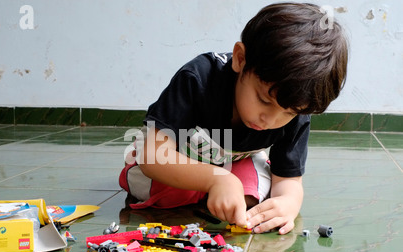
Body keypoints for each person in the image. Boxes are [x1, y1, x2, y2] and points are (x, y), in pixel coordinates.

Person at [119, 2, 348, 234]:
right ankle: (209, 189)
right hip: (174, 158)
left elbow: (288, 180)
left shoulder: (296, 109)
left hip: (232, 163)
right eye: (264, 100)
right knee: (162, 190)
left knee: (257, 193)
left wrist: (288, 204)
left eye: (288, 113)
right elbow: (153, 155)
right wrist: (215, 179)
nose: (270, 119)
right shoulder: (198, 79)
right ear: (240, 59)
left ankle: (219, 191)